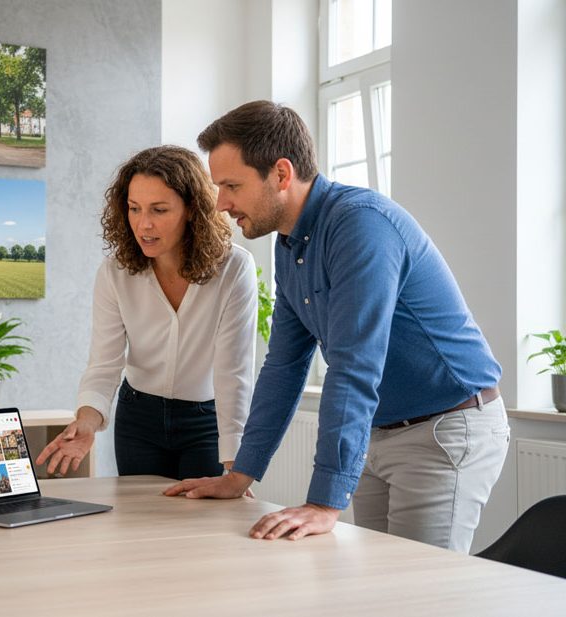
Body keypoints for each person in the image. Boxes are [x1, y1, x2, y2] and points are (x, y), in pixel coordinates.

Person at [164, 101, 509, 553]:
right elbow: (284, 366)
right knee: (376, 587)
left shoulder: (360, 226)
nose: (221, 203)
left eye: (232, 185)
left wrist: (324, 502)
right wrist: (240, 474)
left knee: (418, 593)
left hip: (444, 430)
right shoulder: (289, 247)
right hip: (379, 431)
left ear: (281, 175)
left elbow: (354, 363)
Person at [35, 145, 258, 480]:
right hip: (138, 421)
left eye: (159, 209)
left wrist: (235, 466)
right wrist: (87, 421)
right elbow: (104, 363)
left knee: (202, 526)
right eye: (135, 209)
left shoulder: (233, 268)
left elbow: (233, 374)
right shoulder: (115, 273)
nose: (144, 224)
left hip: (207, 422)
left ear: (192, 210)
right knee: (139, 524)